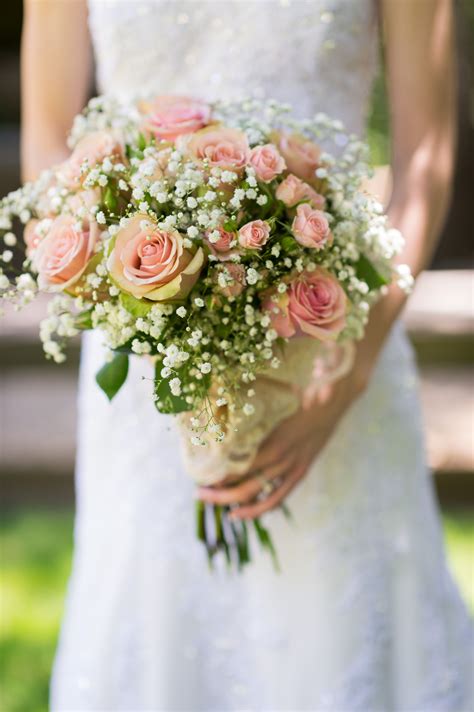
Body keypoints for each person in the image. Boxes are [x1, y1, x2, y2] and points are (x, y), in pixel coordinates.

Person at [21, 1, 472, 709]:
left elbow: (427, 155)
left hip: (339, 350)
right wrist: (124, 290)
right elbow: (47, 143)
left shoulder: (344, 373)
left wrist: (347, 375)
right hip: (144, 373)